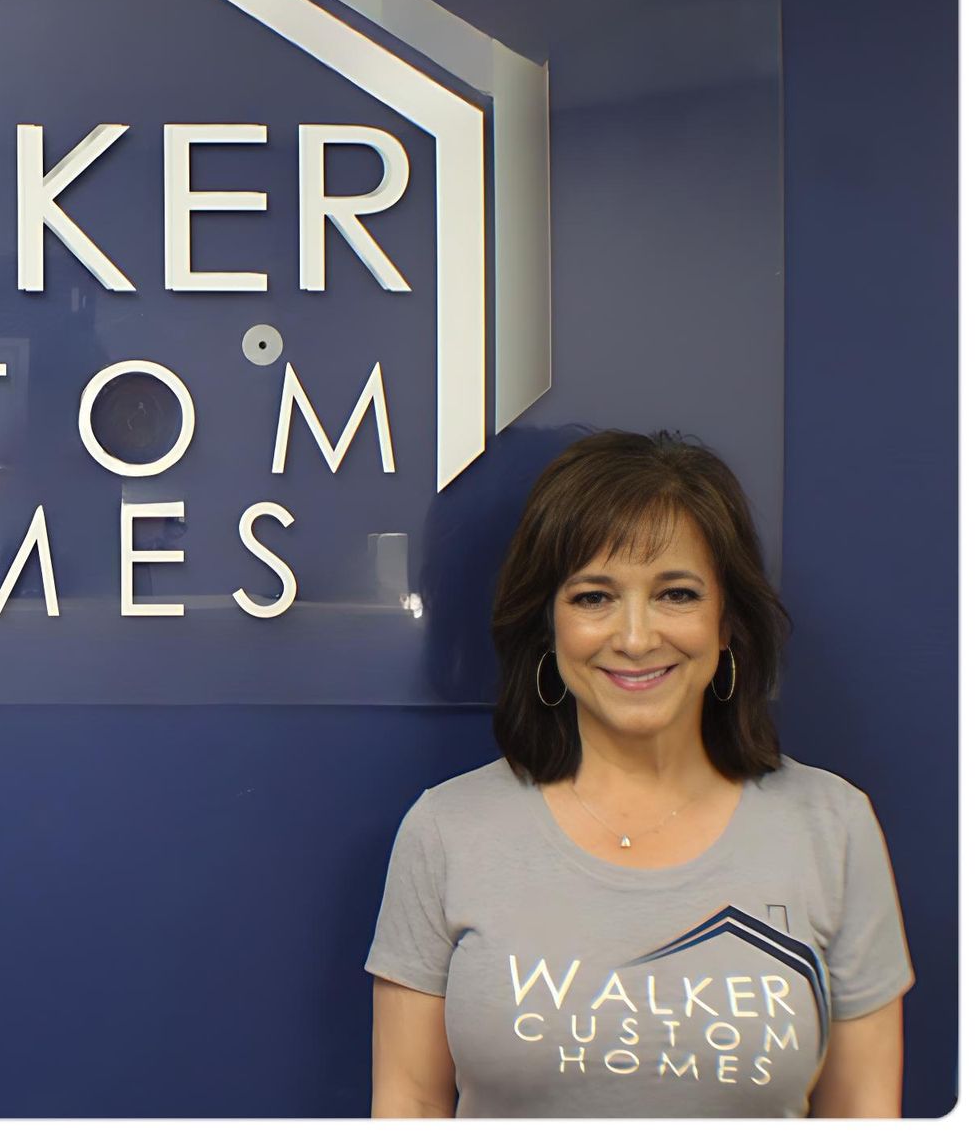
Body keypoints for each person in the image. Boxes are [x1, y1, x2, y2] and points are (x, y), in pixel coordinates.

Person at [366, 430, 912, 1118]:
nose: (635, 635)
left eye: (676, 594)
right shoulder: (446, 832)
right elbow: (409, 1102)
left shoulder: (833, 827)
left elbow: (865, 1112)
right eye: (594, 597)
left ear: (725, 623)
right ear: (549, 626)